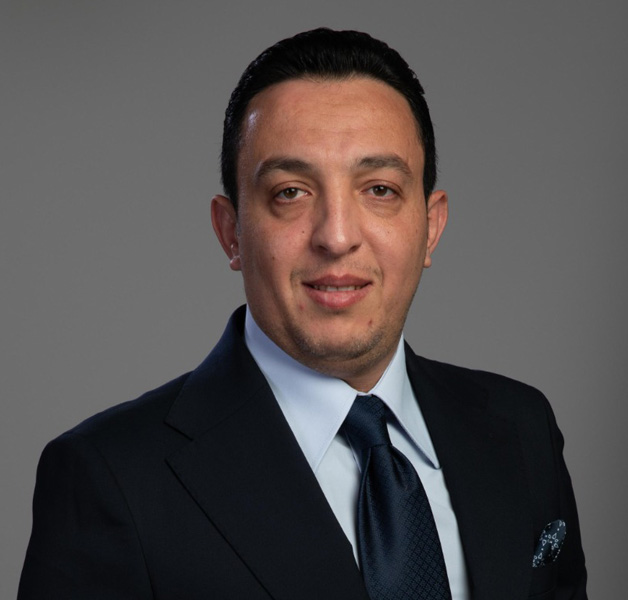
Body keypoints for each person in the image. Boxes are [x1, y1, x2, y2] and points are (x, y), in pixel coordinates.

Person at [18, 28, 587, 599]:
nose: (336, 237)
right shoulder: (111, 479)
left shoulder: (521, 429)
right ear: (231, 232)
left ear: (431, 227)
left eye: (380, 189)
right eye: (290, 192)